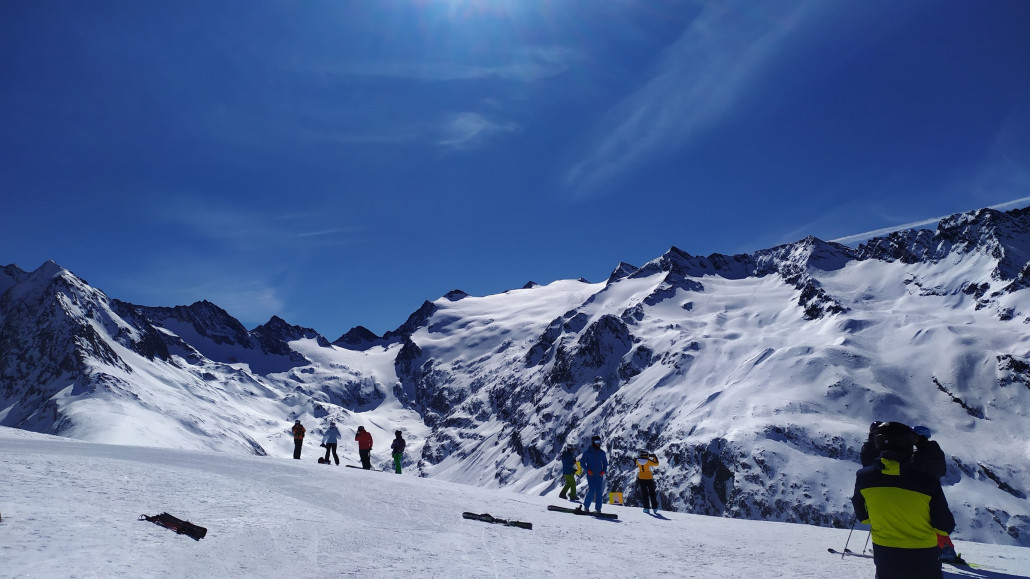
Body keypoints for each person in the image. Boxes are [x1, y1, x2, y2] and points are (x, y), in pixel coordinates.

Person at [853, 422, 956, 579]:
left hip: (885, 554)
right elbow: (945, 526)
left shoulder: (864, 477)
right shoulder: (927, 482)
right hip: (924, 556)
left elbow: (863, 517)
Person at [579, 435, 609, 514]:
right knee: (592, 490)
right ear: (593, 442)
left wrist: (603, 470)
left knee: (599, 492)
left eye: (599, 442)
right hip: (591, 475)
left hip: (599, 475)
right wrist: (587, 470)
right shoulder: (587, 453)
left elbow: (605, 463)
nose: (598, 444)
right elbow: (582, 463)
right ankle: (586, 506)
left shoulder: (602, 453)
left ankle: (598, 509)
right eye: (596, 442)